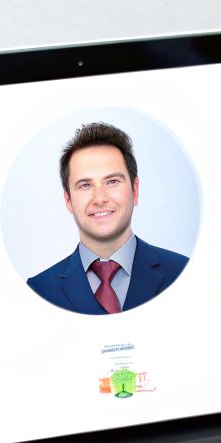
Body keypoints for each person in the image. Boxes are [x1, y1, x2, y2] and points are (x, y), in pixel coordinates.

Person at [27, 122, 190, 314]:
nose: (100, 199)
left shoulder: (184, 273)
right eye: (85, 185)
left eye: (112, 182)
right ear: (68, 199)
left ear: (135, 190)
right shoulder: (38, 290)